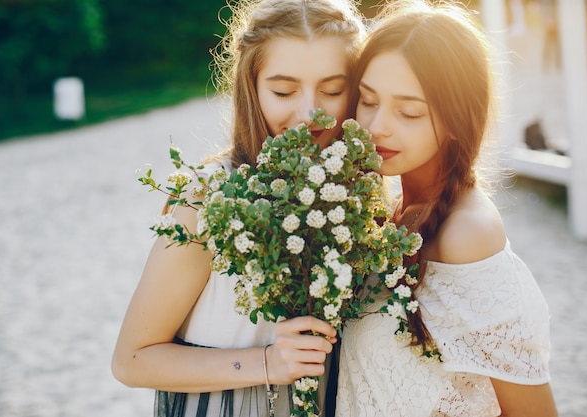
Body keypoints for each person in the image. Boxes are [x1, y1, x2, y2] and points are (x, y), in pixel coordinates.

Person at [111, 1, 364, 416]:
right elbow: (131, 359)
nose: (309, 112)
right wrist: (266, 362)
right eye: (283, 91)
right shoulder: (210, 198)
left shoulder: (361, 200)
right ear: (252, 87)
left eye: (333, 90)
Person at [336, 1, 559, 416]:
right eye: (367, 100)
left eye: (409, 112)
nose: (376, 125)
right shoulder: (389, 208)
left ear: (457, 117)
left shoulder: (467, 235)